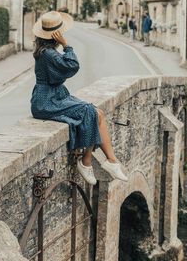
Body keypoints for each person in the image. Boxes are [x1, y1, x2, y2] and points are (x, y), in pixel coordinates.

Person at [31, 10, 128, 185]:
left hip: (52, 97)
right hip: (47, 102)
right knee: (90, 111)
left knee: (97, 113)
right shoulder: (49, 53)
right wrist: (67, 45)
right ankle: (87, 161)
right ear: (56, 35)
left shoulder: (44, 51)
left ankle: (110, 161)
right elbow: (72, 66)